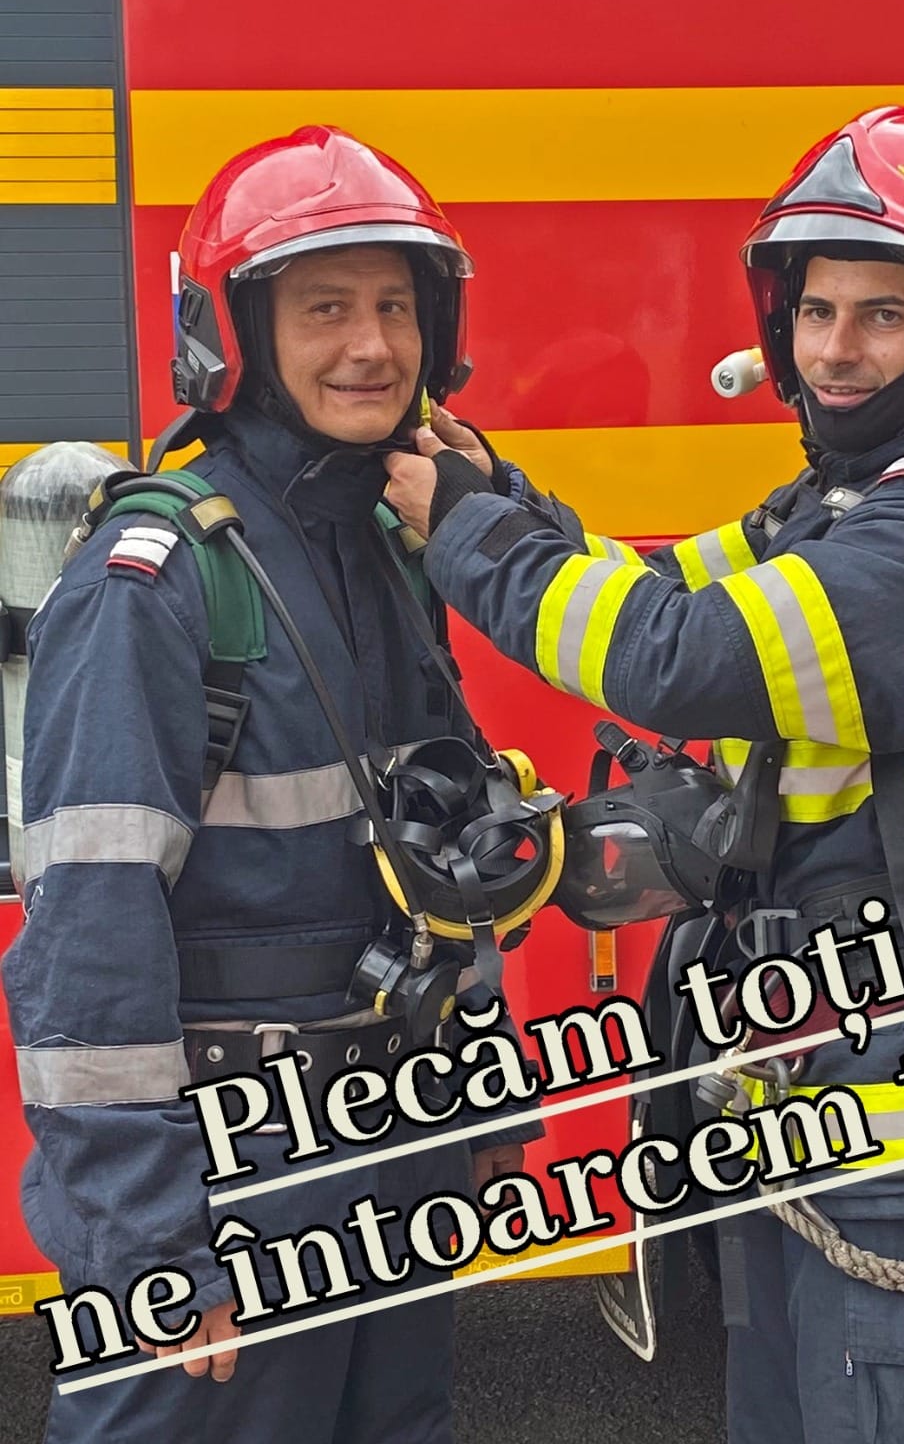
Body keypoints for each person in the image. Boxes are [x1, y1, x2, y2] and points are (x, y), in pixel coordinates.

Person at [384, 106, 904, 1444]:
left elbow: (673, 660)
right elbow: (658, 591)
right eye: (816, 310)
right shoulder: (851, 505)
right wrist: (503, 495)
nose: (834, 349)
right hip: (825, 1102)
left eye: (882, 315)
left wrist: (467, 539)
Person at [2, 124, 539, 1444]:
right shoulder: (155, 580)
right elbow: (87, 945)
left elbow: (440, 847)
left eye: (395, 307)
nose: (372, 346)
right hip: (228, 1182)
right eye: (324, 309)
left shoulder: (389, 544)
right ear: (235, 335)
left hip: (393, 1149)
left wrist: (484, 1083)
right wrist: (148, 1247)